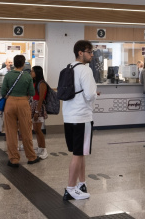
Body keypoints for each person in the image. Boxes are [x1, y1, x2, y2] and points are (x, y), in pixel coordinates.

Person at [62, 40, 98, 201]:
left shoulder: (68, 68)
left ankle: (81, 183)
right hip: (82, 117)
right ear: (80, 53)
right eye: (89, 52)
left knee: (81, 152)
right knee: (78, 154)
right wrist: (95, 95)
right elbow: (90, 95)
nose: (92, 55)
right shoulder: (85, 70)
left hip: (69, 116)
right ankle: (70, 189)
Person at [1, 55, 40, 167]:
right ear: (23, 64)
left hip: (10, 103)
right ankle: (31, 157)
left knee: (11, 132)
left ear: (13, 63)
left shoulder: (8, 75)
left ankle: (13, 159)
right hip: (23, 103)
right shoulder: (27, 76)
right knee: (26, 130)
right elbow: (32, 92)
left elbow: (3, 91)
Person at [30, 66, 48, 159]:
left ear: (37, 72)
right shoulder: (35, 82)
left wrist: (37, 111)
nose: (31, 72)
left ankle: (44, 149)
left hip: (38, 107)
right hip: (34, 106)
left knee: (38, 129)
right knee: (36, 129)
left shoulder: (42, 83)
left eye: (32, 71)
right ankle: (40, 148)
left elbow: (41, 98)